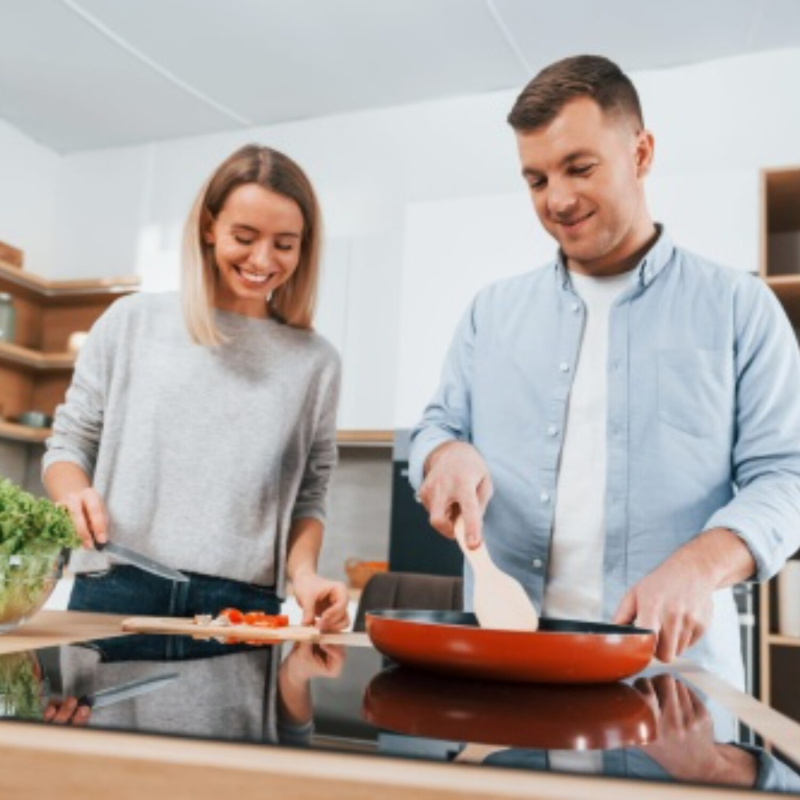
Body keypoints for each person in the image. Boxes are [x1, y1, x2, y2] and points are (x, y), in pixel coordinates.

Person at [409, 55, 800, 687]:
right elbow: (438, 426)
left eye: (580, 167)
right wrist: (443, 454)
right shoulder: (491, 313)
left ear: (641, 154)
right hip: (505, 671)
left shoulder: (739, 307)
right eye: (536, 179)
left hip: (670, 682)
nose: (557, 200)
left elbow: (787, 476)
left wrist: (700, 563)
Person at [43, 144, 349, 632]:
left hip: (243, 604)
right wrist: (73, 494)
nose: (262, 259)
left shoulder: (316, 362)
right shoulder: (131, 322)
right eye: (244, 237)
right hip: (115, 585)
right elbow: (69, 444)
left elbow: (309, 495)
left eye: (284, 244)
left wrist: (305, 576)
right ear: (209, 227)